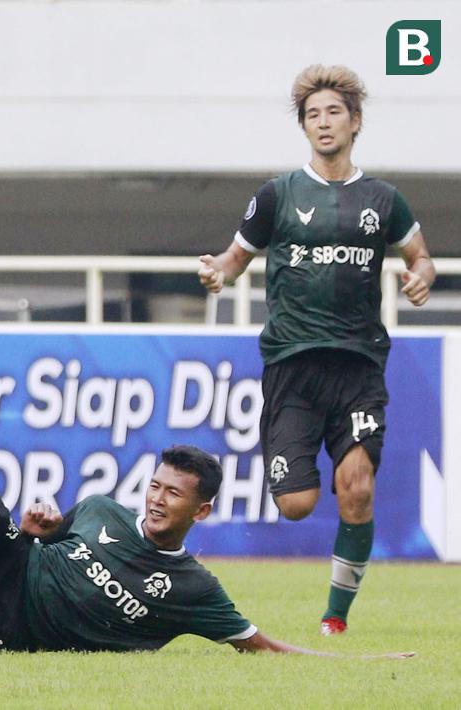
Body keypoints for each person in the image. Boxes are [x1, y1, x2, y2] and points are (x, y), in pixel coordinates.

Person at [0, 384, 412, 658]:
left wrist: (360, 661)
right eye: (153, 486)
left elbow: (260, 649)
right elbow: (47, 532)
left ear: (201, 509)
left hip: (0, 624)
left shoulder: (195, 592)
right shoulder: (100, 510)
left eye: (172, 495)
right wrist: (42, 524)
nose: (155, 500)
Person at [197, 65, 435, 635]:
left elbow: (419, 256)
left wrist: (421, 275)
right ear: (303, 127)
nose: (323, 123)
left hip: (357, 365)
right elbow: (235, 258)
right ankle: (289, 468)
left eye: (333, 113)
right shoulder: (277, 195)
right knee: (297, 504)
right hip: (292, 367)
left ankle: (336, 616)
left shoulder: (384, 199)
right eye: (312, 115)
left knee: (356, 487)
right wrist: (217, 273)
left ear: (354, 122)